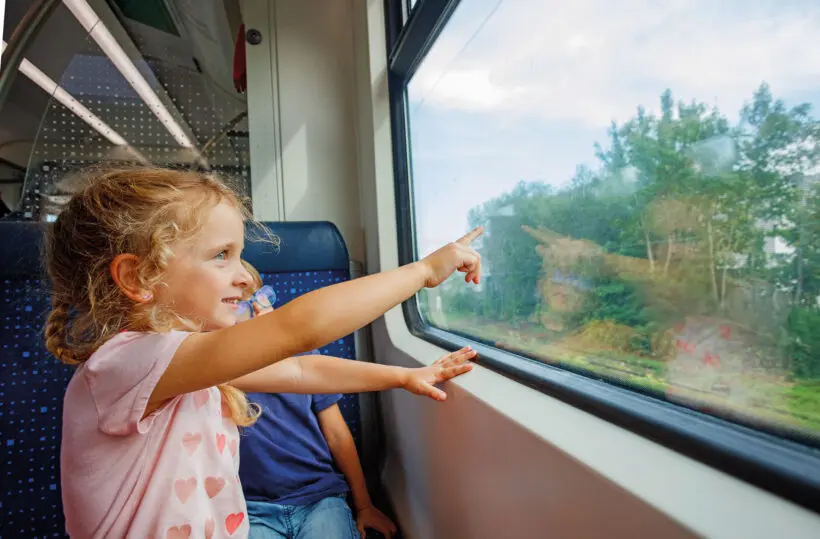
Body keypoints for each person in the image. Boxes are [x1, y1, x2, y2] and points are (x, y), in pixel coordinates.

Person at [45, 166, 483, 539]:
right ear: (138, 276)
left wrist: (404, 376)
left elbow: (298, 372)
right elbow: (300, 330)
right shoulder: (128, 363)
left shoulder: (179, 364)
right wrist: (423, 271)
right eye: (221, 256)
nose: (244, 278)